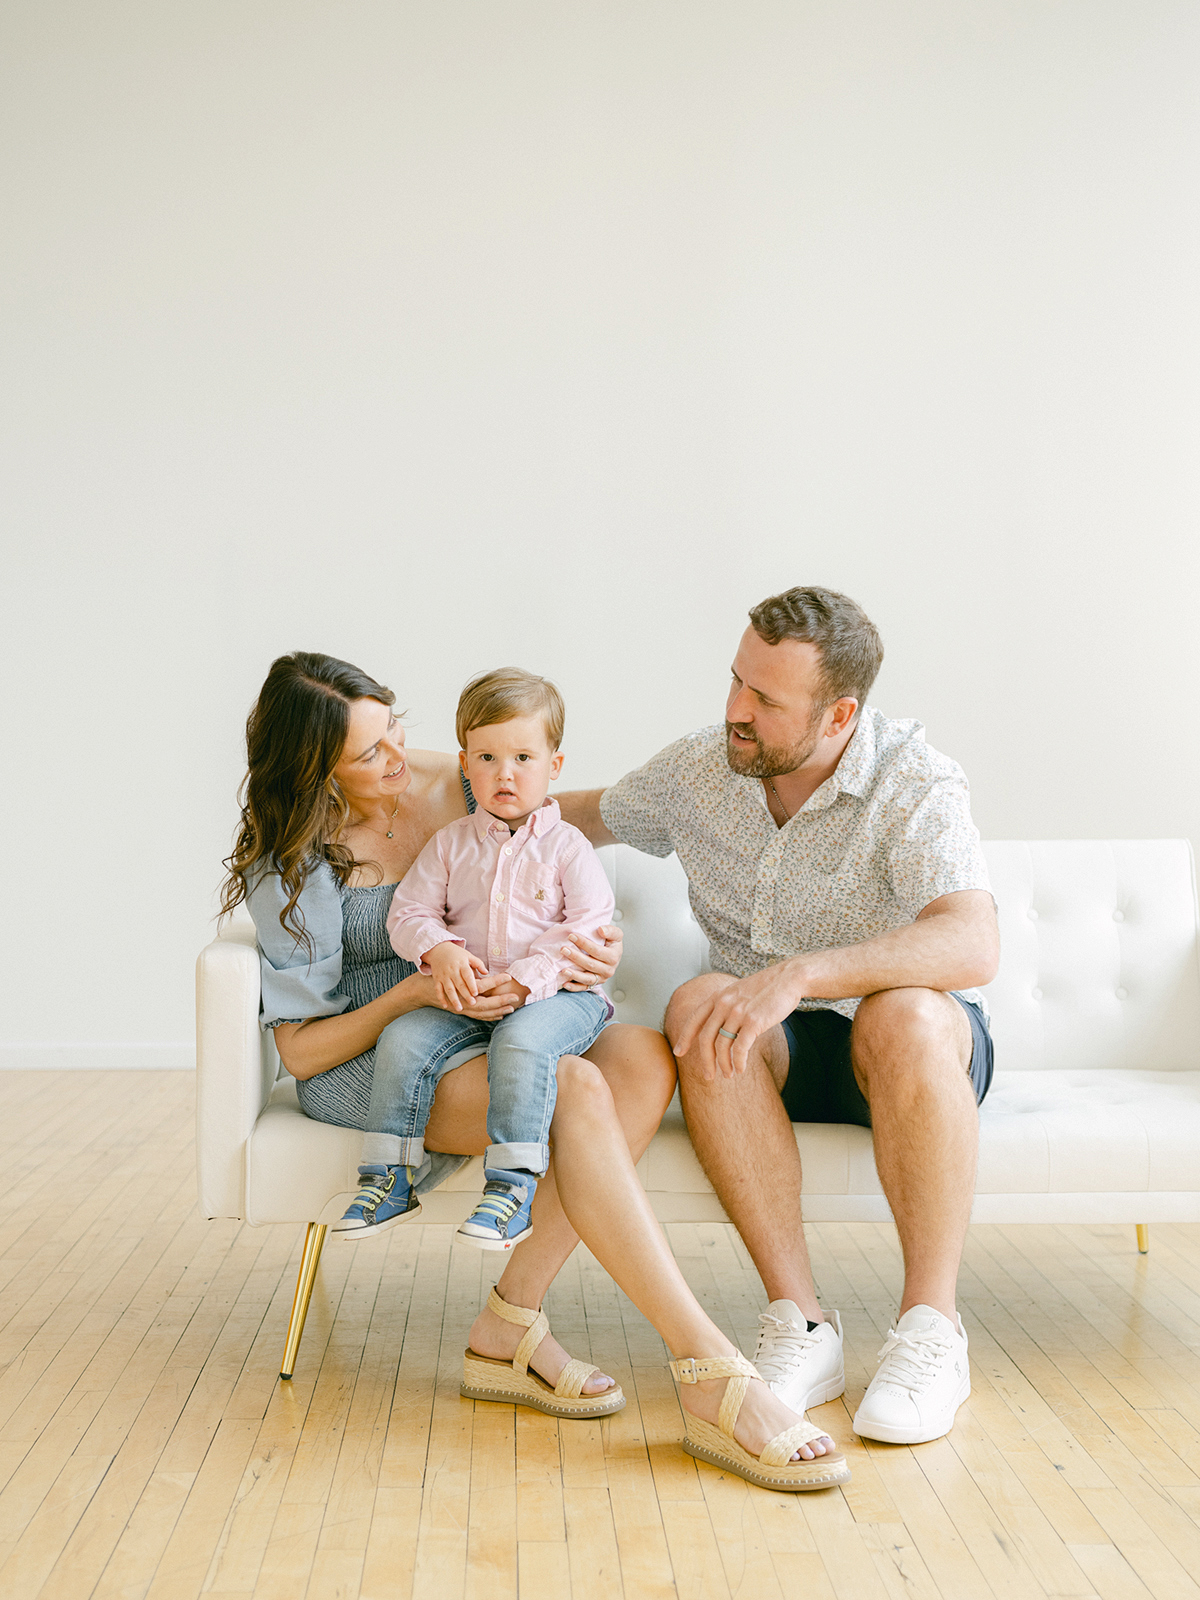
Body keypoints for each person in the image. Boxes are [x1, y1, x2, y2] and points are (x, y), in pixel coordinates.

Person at [221, 651, 851, 1491]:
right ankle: (710, 1372)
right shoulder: (289, 863)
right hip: (375, 1058)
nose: (399, 761)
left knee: (637, 1056)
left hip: (487, 1025)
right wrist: (414, 990)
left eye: (395, 729)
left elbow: (553, 827)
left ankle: (506, 1325)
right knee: (578, 1088)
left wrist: (588, 942)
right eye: (370, 754)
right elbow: (300, 1050)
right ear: (314, 769)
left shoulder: (450, 782)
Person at [557, 586, 1000, 1446]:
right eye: (735, 682)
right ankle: (801, 1323)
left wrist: (805, 973)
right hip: (774, 1056)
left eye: (764, 699)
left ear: (838, 715)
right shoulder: (702, 769)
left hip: (915, 1053)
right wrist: (428, 780)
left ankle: (932, 1331)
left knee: (901, 1016)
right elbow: (569, 811)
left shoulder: (913, 778)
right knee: (699, 1004)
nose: (735, 711)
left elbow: (972, 941)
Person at [334, 667, 615, 1252]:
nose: (504, 774)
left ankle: (511, 1186)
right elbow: (407, 914)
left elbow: (584, 928)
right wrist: (440, 952)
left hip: (557, 998)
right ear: (465, 764)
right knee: (404, 1037)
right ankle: (389, 1177)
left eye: (522, 757)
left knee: (522, 1044)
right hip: (466, 995)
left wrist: (525, 983)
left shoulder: (568, 848)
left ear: (553, 765)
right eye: (486, 758)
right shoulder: (451, 843)